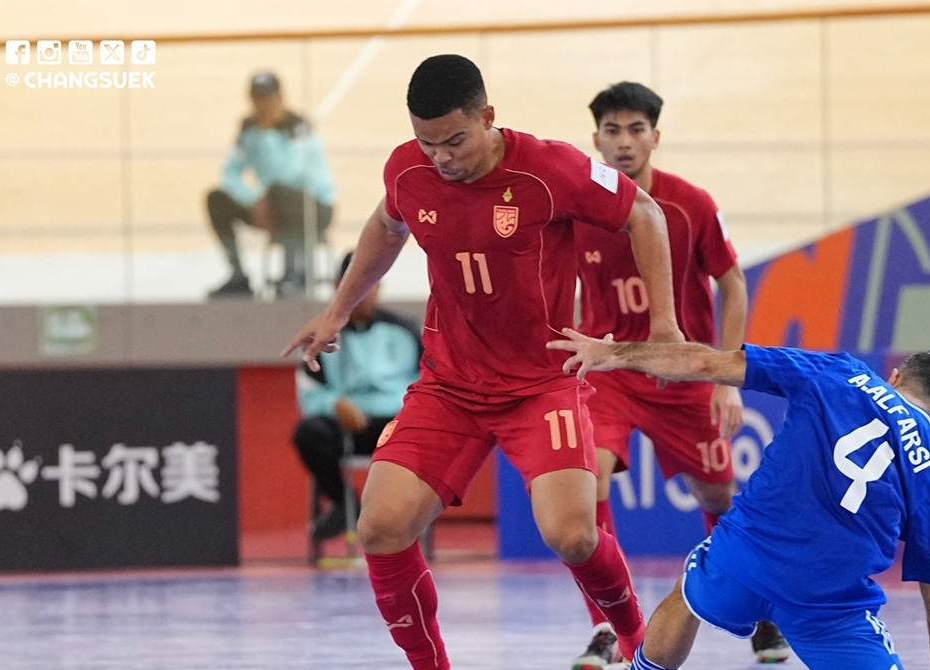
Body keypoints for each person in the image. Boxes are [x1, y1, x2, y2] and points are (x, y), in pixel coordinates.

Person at [281, 54, 683, 670]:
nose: (441, 157)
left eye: (455, 141)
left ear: (488, 117)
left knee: (573, 535)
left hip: (542, 384)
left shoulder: (551, 168)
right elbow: (388, 226)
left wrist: (664, 327)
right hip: (450, 386)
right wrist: (338, 310)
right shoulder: (408, 169)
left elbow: (644, 214)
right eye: (428, 142)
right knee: (380, 528)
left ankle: (636, 642)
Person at [547, 330, 930, 670]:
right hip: (829, 604)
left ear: (894, 377)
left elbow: (704, 362)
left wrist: (614, 354)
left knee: (689, 592)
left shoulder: (839, 371)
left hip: (744, 562)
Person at [569, 81, 789, 669]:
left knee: (718, 496)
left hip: (683, 373)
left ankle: (759, 611)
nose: (623, 141)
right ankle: (609, 627)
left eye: (635, 129)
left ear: (655, 136)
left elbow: (734, 284)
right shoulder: (577, 209)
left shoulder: (691, 204)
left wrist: (725, 375)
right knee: (587, 481)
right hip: (611, 371)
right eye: (612, 130)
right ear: (596, 139)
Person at [292, 251, 422, 541]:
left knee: (424, 434)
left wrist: (406, 409)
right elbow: (308, 392)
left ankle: (406, 518)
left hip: (396, 423)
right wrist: (334, 404)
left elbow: (429, 381)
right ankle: (344, 504)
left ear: (379, 287)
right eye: (352, 286)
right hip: (348, 425)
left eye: (369, 285)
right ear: (338, 288)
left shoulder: (405, 331)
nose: (361, 294)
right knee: (308, 433)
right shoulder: (322, 335)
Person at [207, 70, 336, 299]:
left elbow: (292, 174)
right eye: (257, 99)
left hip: (313, 207)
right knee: (217, 199)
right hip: (268, 205)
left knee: (281, 194)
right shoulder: (249, 131)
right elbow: (230, 172)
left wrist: (267, 135)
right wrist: (251, 200)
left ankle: (293, 272)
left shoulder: (298, 128)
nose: (262, 105)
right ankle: (238, 275)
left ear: (280, 98)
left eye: (267, 99)